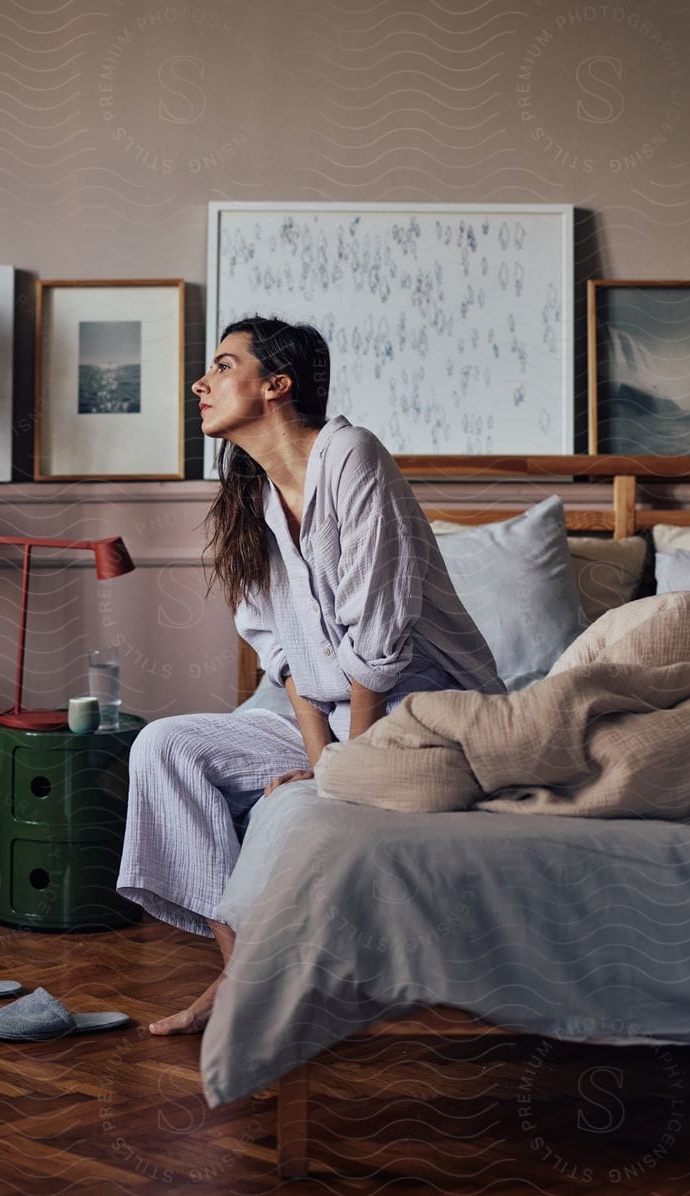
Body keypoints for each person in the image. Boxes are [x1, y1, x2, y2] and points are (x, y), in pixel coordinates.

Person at [116, 316, 503, 1035]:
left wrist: (341, 774)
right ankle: (243, 979)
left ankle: (257, 989)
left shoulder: (351, 456)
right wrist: (326, 761)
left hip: (427, 718)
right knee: (164, 747)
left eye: (224, 365)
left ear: (276, 384)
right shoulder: (251, 502)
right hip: (342, 731)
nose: (201, 382)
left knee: (318, 803)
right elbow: (289, 660)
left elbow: (381, 643)